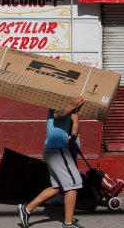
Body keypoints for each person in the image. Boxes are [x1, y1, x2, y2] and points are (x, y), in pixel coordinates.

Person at [18, 96, 85, 228]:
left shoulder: (71, 109)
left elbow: (75, 128)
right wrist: (72, 105)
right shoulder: (58, 101)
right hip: (57, 149)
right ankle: (68, 223)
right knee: (73, 184)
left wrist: (74, 131)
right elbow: (57, 114)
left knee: (57, 187)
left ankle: (27, 209)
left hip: (54, 150)